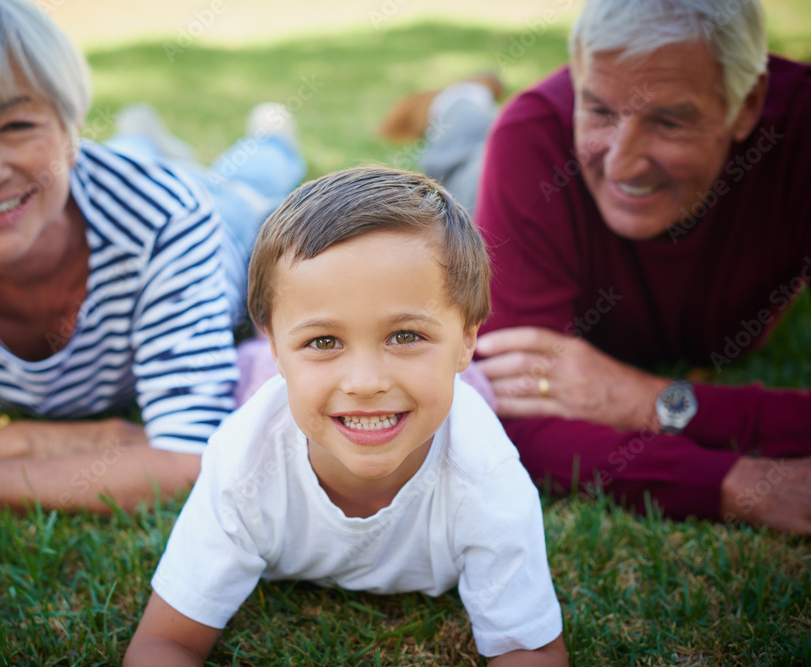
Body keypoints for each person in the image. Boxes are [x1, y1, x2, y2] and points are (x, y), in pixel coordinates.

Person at [0, 0, 304, 550]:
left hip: (226, 224)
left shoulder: (164, 216)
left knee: (251, 182)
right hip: (88, 183)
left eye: (17, 125)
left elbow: (188, 459)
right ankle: (139, 139)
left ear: (71, 130)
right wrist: (25, 443)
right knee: (88, 175)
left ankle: (270, 134)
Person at [399, 0, 811, 534]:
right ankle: (460, 105)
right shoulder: (534, 137)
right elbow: (510, 413)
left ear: (746, 105)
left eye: (669, 121)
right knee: (463, 165)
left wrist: (655, 401)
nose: (622, 164)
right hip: (489, 180)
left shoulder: (810, 131)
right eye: (598, 110)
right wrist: (736, 484)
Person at [124, 166, 567, 666]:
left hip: (458, 390)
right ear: (275, 345)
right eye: (324, 341)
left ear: (468, 339)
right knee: (243, 379)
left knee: (474, 392)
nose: (365, 381)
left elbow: (530, 650)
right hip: (258, 383)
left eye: (405, 336)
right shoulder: (242, 462)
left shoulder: (487, 477)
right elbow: (165, 641)